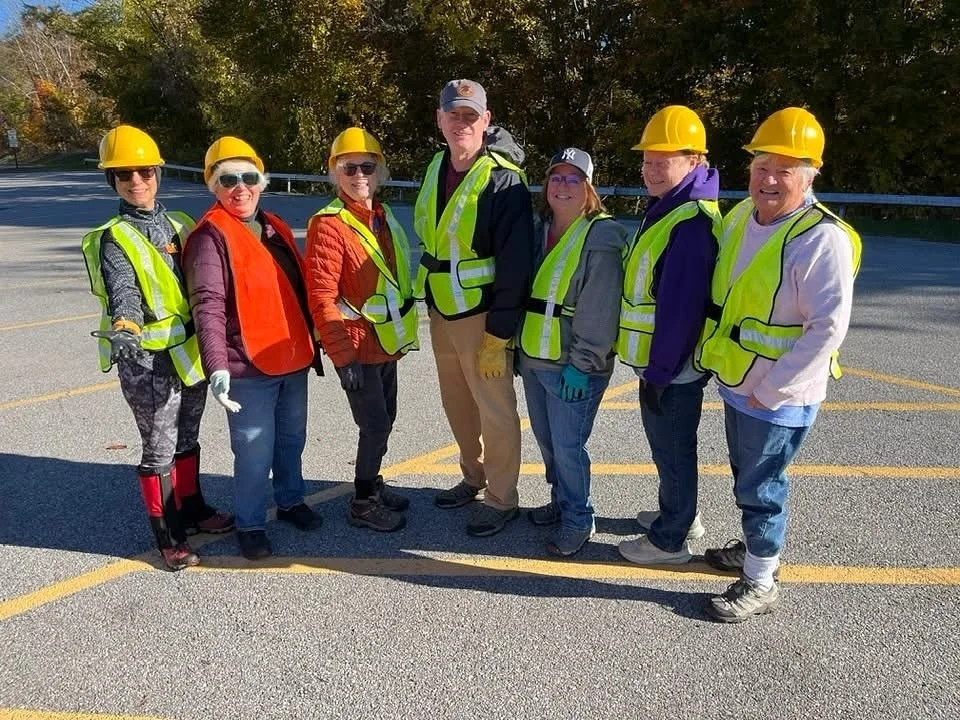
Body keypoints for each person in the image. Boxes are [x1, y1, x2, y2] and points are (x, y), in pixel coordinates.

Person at [696, 107, 861, 622]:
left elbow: (827, 329)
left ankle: (761, 581)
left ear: (810, 175)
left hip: (778, 396)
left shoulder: (821, 239)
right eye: (761, 166)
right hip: (740, 381)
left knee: (762, 487)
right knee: (749, 477)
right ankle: (753, 551)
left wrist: (771, 390)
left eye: (785, 170)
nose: (768, 179)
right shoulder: (745, 216)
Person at [82, 125, 233, 572]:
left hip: (188, 351)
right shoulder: (116, 237)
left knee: (187, 436)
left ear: (157, 173)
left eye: (143, 171)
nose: (136, 181)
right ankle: (168, 535)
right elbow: (122, 289)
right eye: (124, 174)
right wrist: (125, 327)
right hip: (146, 360)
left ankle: (193, 508)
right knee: (158, 448)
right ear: (113, 180)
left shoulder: (182, 224)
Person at [183, 136, 324, 561]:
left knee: (291, 439)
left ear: (261, 181)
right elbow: (206, 304)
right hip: (247, 368)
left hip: (291, 357)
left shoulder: (273, 225)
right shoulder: (211, 236)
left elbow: (297, 290)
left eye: (248, 177)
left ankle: (291, 499)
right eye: (228, 179)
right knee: (253, 451)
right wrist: (216, 365)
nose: (240, 187)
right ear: (214, 185)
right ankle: (250, 524)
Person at [414, 79, 535, 537]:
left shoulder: (504, 180)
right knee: (457, 403)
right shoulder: (436, 165)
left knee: (495, 410)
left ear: (486, 121)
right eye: (453, 114)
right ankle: (473, 475)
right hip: (443, 310)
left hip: (484, 314)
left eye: (471, 115)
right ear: (440, 119)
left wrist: (499, 333)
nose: (461, 123)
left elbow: (515, 263)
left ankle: (501, 498)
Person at [614, 106, 722, 566]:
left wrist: (659, 371)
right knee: (669, 447)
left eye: (664, 160)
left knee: (674, 448)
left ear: (694, 161)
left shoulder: (691, 221)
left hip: (671, 367)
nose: (651, 169)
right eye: (647, 160)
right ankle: (681, 514)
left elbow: (680, 309)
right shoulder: (670, 206)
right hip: (661, 363)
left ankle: (670, 539)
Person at [305, 127, 418, 532]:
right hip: (355, 346)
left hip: (385, 343)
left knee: (386, 417)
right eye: (347, 167)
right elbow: (321, 297)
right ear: (334, 173)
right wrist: (343, 357)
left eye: (367, 166)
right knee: (374, 424)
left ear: (380, 171)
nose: (358, 175)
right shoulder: (329, 225)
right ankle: (363, 502)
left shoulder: (382, 217)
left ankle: (373, 482)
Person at [517, 148, 628, 556]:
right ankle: (561, 501)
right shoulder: (540, 226)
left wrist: (583, 365)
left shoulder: (599, 235)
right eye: (556, 177)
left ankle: (579, 519)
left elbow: (600, 309)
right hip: (534, 358)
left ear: (588, 187)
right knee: (549, 444)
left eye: (573, 179)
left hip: (573, 365)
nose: (563, 186)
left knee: (568, 447)